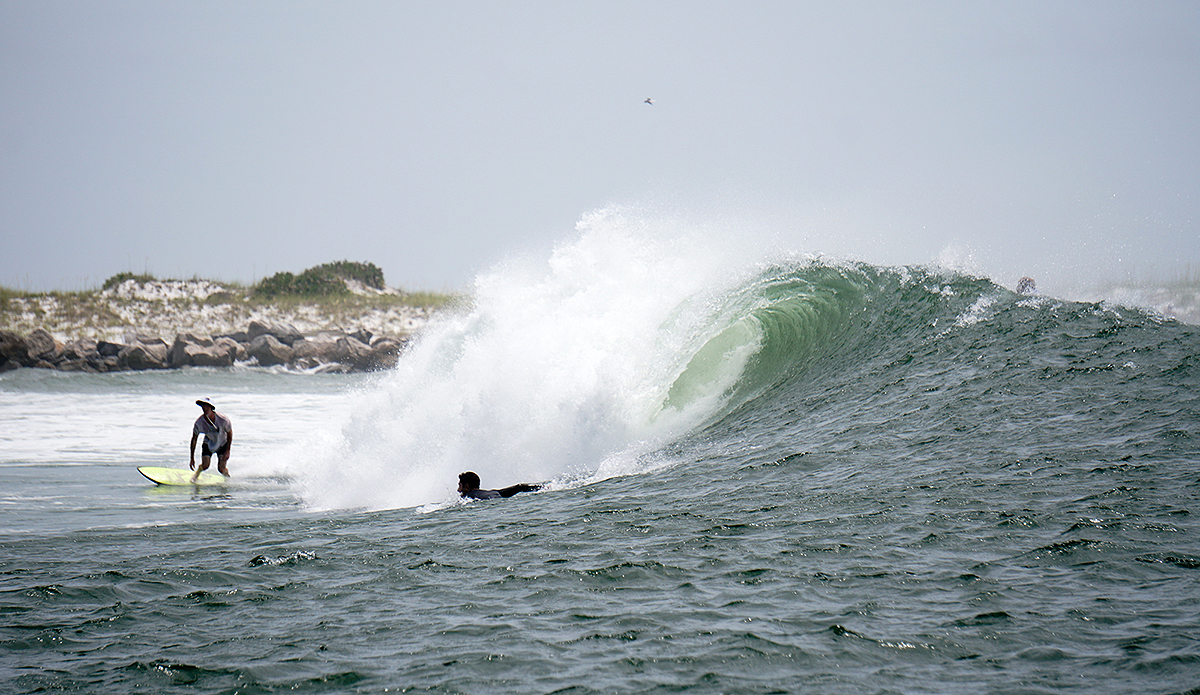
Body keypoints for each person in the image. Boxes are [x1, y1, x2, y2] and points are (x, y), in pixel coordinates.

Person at [190, 397, 233, 481]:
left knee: (221, 469)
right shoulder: (199, 423)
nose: (204, 408)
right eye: (203, 406)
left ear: (211, 407)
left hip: (222, 443)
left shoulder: (223, 419)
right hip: (209, 443)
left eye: (206, 406)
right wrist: (192, 458)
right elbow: (194, 439)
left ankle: (228, 479)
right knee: (205, 465)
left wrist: (228, 450)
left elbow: (230, 433)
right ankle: (196, 475)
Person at [457, 471, 542, 500]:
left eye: (460, 485)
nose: (458, 490)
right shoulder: (494, 492)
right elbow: (520, 487)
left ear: (466, 486)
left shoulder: (468, 497)